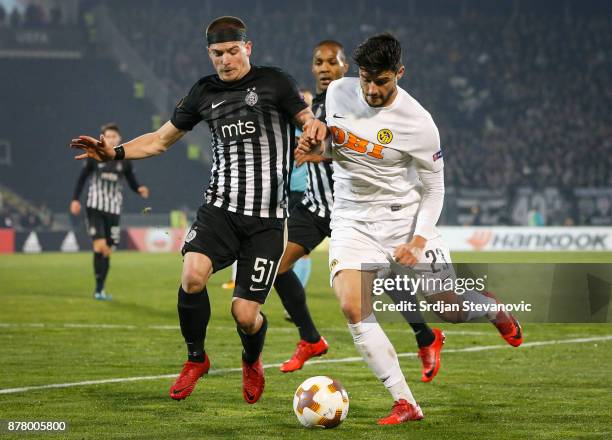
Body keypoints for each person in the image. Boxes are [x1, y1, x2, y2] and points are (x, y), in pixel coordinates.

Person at [70, 16, 326, 404]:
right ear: (209, 54)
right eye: (217, 53)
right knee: (192, 275)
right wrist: (114, 153)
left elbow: (306, 119)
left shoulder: (275, 82)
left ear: (248, 48)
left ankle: (251, 359)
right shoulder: (203, 93)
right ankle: (196, 358)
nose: (225, 60)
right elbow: (159, 140)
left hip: (267, 220)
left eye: (232, 51)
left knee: (245, 315)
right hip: (219, 209)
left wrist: (312, 128)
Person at [299, 33, 523, 425]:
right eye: (366, 78)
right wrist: (316, 152)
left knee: (448, 309)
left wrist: (418, 239)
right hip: (351, 218)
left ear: (399, 73)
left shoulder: (419, 123)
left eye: (381, 81)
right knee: (354, 307)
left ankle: (491, 310)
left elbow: (435, 188)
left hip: (404, 219)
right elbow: (342, 146)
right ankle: (405, 402)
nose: (371, 89)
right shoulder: (337, 92)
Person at [279, 40, 445, 381]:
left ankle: (425, 336)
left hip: (359, 208)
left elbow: (365, 148)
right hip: (316, 204)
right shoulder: (309, 107)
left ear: (345, 68)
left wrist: (324, 147)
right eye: (318, 62)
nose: (325, 68)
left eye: (332, 62)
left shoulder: (355, 102)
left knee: (388, 279)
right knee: (277, 265)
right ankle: (309, 338)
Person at [70, 123, 149, 300]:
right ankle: (98, 290)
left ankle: (100, 288)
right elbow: (81, 179)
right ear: (102, 138)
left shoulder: (125, 160)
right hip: (95, 208)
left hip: (114, 210)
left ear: (119, 138)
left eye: (114, 136)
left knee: (107, 251)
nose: (112, 139)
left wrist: (139, 189)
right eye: (109, 136)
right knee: (100, 247)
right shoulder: (94, 157)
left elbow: (131, 181)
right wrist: (75, 199)